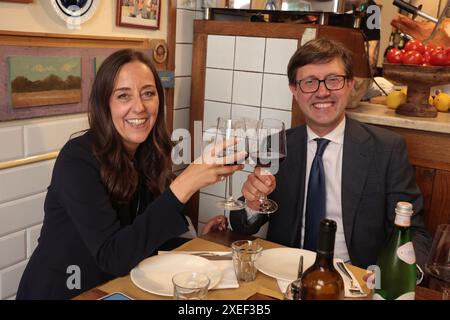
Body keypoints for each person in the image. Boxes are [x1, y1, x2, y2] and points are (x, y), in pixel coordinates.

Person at [16, 49, 244, 300]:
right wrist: (185, 183)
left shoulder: (147, 154)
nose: (139, 107)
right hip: (64, 291)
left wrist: (196, 246)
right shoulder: (76, 160)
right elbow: (114, 256)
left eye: (148, 93)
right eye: (124, 96)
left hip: (113, 289)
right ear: (105, 104)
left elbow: (140, 238)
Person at [230, 38, 431, 270]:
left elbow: (414, 232)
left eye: (333, 80)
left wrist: (399, 275)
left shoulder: (387, 149)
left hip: (357, 279)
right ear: (294, 90)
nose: (322, 92)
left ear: (349, 85)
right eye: (309, 82)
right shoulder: (276, 144)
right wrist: (252, 205)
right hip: (286, 272)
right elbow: (242, 226)